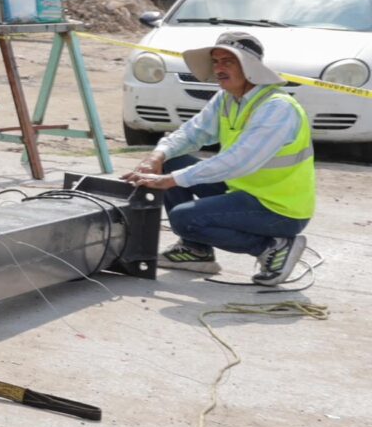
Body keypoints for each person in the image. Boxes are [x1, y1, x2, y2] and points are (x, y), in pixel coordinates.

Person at [127, 30, 316, 288]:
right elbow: (192, 132)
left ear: (250, 67)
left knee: (185, 218)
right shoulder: (227, 99)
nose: (218, 69)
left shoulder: (277, 107)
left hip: (279, 208)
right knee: (170, 160)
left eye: (228, 61)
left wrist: (171, 180)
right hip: (244, 191)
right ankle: (196, 251)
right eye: (215, 62)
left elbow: (238, 161)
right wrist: (156, 157)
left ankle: (271, 246)